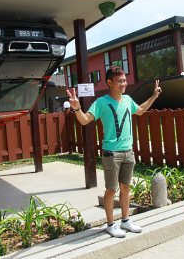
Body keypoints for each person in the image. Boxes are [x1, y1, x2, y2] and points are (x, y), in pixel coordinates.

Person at [66, 65, 162, 238]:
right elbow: (85, 120)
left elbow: (139, 110)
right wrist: (77, 108)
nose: (123, 84)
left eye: (124, 80)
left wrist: (154, 96)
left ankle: (125, 221)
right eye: (119, 81)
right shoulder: (101, 102)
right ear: (109, 82)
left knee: (126, 187)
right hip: (111, 153)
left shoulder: (127, 99)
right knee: (111, 190)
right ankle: (111, 224)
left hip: (128, 151)